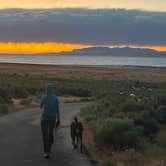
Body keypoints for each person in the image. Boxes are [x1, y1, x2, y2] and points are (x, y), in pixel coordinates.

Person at [40, 83, 60, 159]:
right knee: (50, 133)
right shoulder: (55, 98)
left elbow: (40, 106)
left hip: (44, 117)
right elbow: (57, 110)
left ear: (46, 89)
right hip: (53, 118)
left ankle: (46, 152)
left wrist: (43, 101)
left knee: (45, 135)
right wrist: (59, 119)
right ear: (52, 90)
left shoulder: (43, 97)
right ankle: (49, 149)